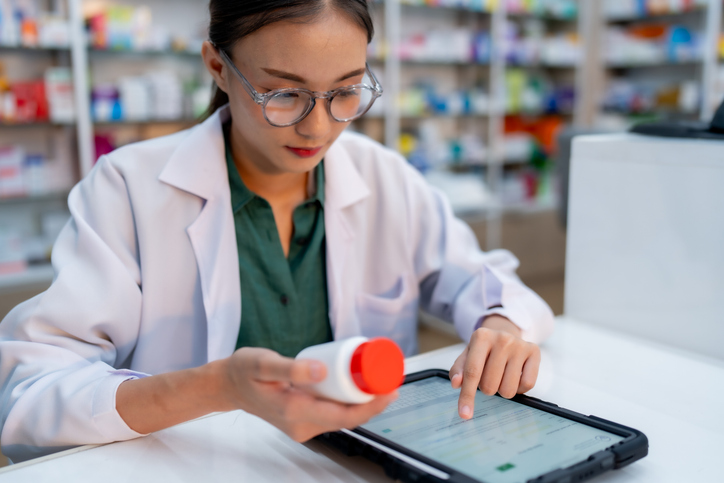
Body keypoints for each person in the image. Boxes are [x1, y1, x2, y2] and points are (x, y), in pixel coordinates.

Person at [0, 0, 554, 463]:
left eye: (345, 91)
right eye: (283, 93)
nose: (318, 127)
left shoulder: (384, 177)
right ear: (218, 66)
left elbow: (485, 282)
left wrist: (501, 323)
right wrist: (215, 387)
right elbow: (27, 395)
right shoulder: (129, 187)